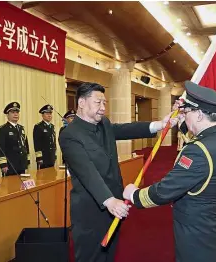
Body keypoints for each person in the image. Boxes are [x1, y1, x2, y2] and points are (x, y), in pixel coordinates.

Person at [123, 81, 216, 262]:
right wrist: (183, 121)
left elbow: (166, 190)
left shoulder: (198, 150)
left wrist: (134, 195)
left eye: (187, 112)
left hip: (198, 236)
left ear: (200, 114)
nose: (185, 116)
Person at [59, 82, 175, 262]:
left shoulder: (103, 123)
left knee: (110, 254)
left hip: (114, 205)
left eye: (104, 103)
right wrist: (109, 200)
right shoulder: (70, 135)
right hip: (91, 210)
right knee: (91, 257)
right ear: (81, 103)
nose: (103, 108)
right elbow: (87, 172)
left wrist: (159, 125)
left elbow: (123, 129)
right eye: (98, 103)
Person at [0, 102, 30, 176]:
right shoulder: (2, 129)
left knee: (22, 186)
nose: (16, 114)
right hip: (10, 165)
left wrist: (27, 160)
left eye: (17, 112)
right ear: (7, 115)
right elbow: (0, 148)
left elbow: (25, 145)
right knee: (11, 186)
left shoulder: (21, 128)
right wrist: (3, 164)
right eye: (13, 112)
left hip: (21, 164)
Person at [33, 105, 56, 169]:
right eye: (47, 113)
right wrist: (39, 157)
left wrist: (54, 155)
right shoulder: (38, 126)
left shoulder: (52, 126)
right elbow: (37, 143)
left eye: (50, 113)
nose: (49, 115)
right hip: (43, 158)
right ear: (42, 115)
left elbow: (53, 141)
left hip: (51, 157)